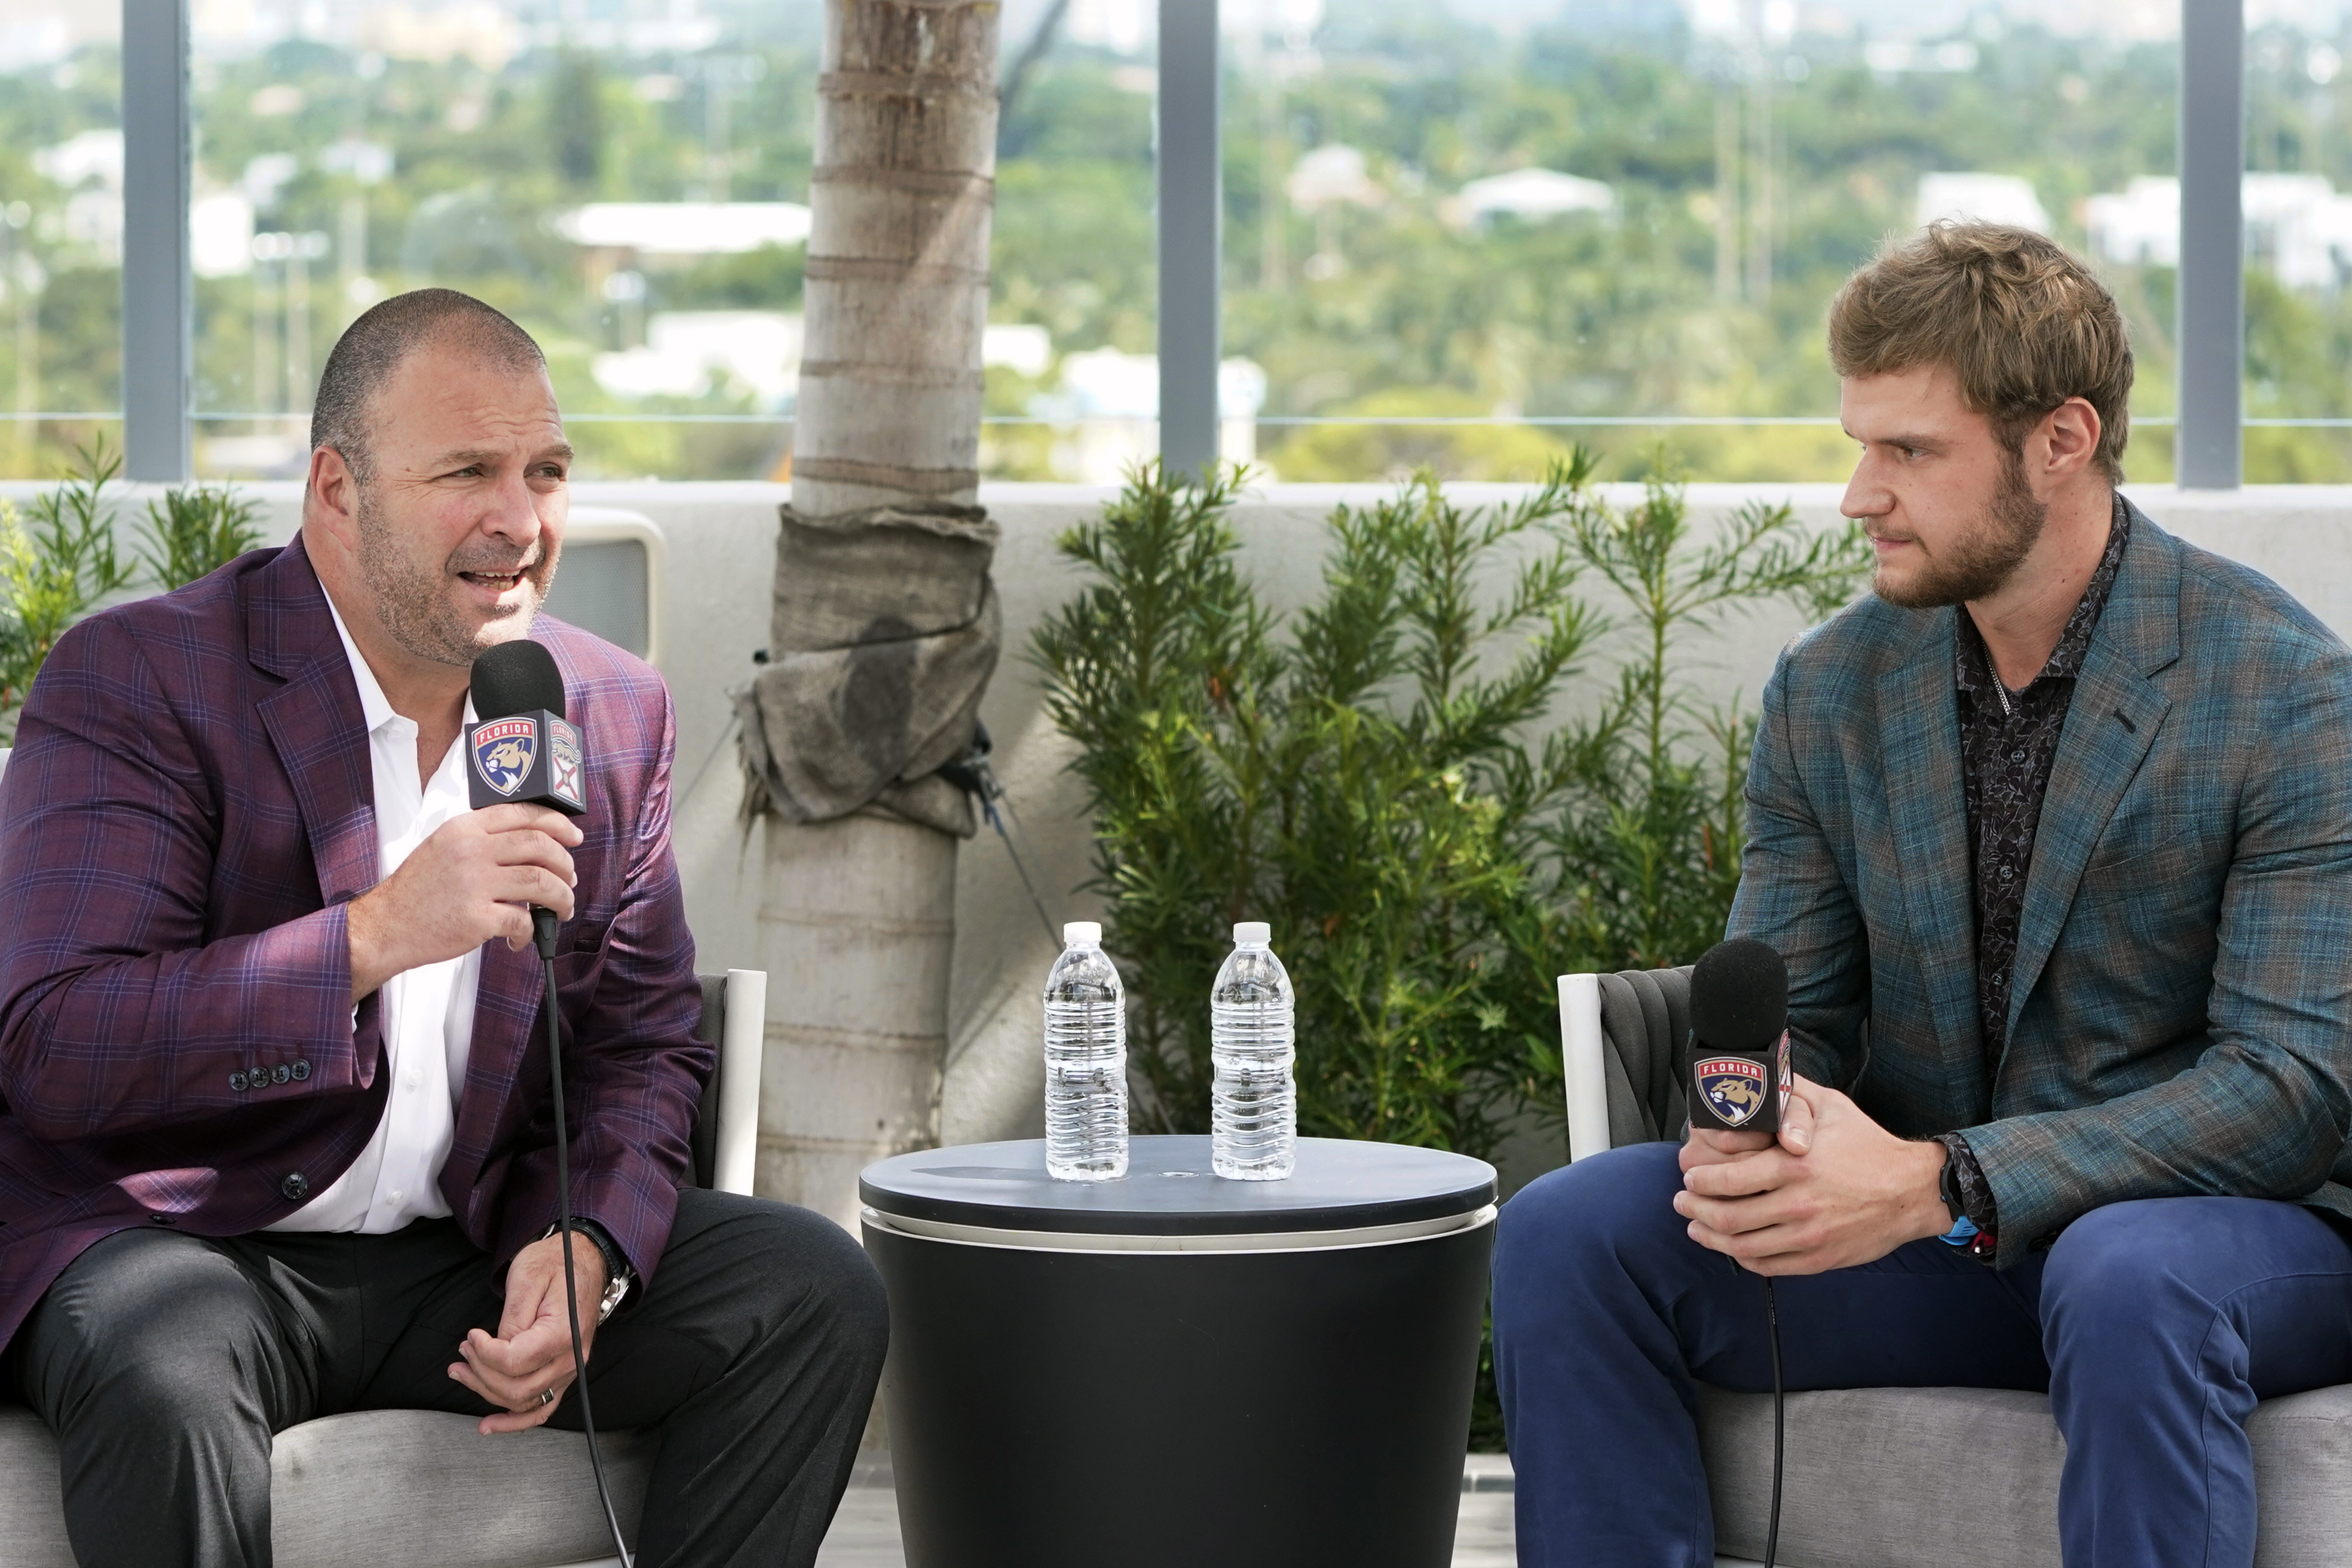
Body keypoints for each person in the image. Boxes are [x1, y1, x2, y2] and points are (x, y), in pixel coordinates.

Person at [1492, 222, 2352, 1567]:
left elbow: (2293, 1088)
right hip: (1936, 1242)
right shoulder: (1830, 691)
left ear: (2060, 440)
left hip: (2224, 1245)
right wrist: (1768, 1117)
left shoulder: (2282, 689)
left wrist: (1946, 1176)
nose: (1858, 495)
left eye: (1908, 452)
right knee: (1574, 1227)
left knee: (2125, 1273)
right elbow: (1801, 1005)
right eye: (1858, 444)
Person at [0, 288, 887, 1567]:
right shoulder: (147, 680)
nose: (520, 520)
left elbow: (641, 1048)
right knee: (167, 1368)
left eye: (545, 471)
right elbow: (59, 1042)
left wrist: (588, 1243)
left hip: (448, 1252)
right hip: (179, 1242)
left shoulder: (603, 709)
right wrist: (370, 935)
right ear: (336, 493)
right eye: (468, 469)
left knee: (809, 1288)